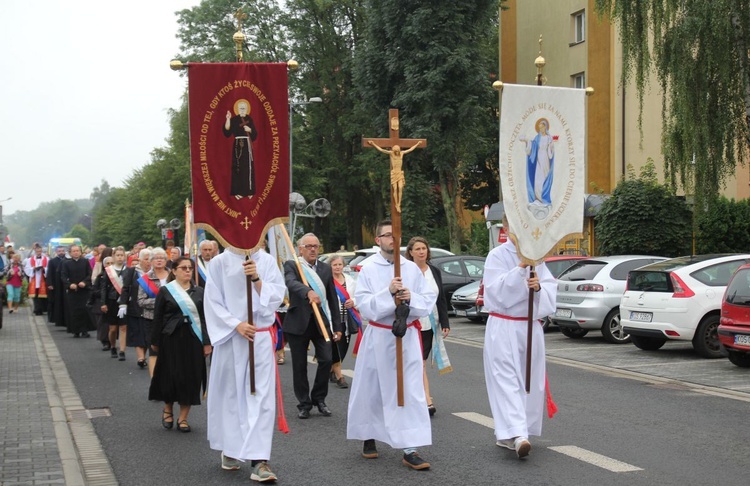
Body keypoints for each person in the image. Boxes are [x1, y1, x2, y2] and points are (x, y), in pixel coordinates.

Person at [347, 220, 437, 470]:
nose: (391, 239)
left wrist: (411, 298)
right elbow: (364, 305)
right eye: (386, 235)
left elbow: (427, 299)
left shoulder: (410, 268)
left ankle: (409, 447)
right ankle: (368, 434)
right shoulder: (368, 269)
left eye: (395, 234)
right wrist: (388, 293)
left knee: (408, 389)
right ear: (378, 241)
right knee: (372, 389)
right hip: (379, 337)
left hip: (405, 336)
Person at [204, 247, 286, 482]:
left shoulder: (267, 260)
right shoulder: (219, 262)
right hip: (232, 339)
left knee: (261, 398)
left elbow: (277, 297)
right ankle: (230, 448)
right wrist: (235, 324)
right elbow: (212, 302)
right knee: (231, 397)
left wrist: (257, 279)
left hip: (259, 338)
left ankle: (259, 460)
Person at [483, 214, 556, 459]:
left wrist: (539, 288)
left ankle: (514, 432)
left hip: (530, 327)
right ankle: (517, 434)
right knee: (506, 379)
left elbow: (549, 292)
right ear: (506, 228)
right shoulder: (497, 256)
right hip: (504, 327)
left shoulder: (539, 258)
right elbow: (496, 293)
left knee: (530, 381)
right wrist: (521, 269)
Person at [148, 256, 212, 433]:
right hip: (171, 339)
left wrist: (207, 342)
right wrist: (155, 341)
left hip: (193, 339)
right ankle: (167, 409)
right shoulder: (166, 291)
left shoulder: (200, 291)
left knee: (191, 378)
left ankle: (183, 418)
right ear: (174, 271)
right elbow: (158, 318)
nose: (187, 271)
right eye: (183, 268)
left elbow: (206, 319)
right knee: (170, 376)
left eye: (189, 268)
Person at [283, 233, 343, 419]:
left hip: (321, 323)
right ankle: (304, 403)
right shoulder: (292, 265)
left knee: (326, 359)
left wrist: (338, 326)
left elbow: (332, 298)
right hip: (298, 323)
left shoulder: (325, 269)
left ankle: (319, 398)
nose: (312, 249)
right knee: (299, 366)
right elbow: (291, 283)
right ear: (300, 249)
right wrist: (308, 291)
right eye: (308, 246)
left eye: (315, 246)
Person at [405, 236, 451, 417]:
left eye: (423, 248)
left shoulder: (434, 271)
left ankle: (420, 397)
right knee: (418, 362)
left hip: (430, 323)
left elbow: (440, 298)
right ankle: (426, 398)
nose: (421, 252)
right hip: (411, 323)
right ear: (410, 252)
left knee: (420, 361)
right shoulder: (407, 271)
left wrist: (445, 323)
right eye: (417, 249)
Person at [138, 248, 171, 377]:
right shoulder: (145, 279)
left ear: (166, 261)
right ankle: (155, 382)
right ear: (151, 261)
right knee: (154, 351)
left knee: (169, 351)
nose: (159, 260)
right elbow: (141, 301)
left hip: (171, 319)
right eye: (156, 258)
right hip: (152, 320)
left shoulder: (172, 276)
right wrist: (160, 302)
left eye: (161, 258)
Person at [328, 255, 360, 389]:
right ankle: (340, 377)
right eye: (334, 265)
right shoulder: (327, 281)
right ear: (330, 266)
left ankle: (331, 371)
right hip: (332, 320)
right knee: (335, 348)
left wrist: (353, 301)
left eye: (339, 265)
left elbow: (359, 296)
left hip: (347, 320)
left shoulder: (351, 280)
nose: (337, 267)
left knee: (343, 349)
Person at [367, 140, 422, 213]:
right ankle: (396, 204)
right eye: (395, 151)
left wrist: (417, 144)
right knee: (395, 189)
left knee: (400, 188)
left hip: (399, 173)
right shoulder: (391, 154)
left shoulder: (402, 153)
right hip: (394, 173)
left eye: (397, 151)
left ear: (399, 150)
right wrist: (373, 144)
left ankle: (399, 203)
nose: (396, 153)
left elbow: (410, 149)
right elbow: (382, 150)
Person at [119, 249, 152, 369]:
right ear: (140, 260)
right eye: (146, 259)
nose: (148, 262)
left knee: (147, 333)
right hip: (135, 307)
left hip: (150, 308)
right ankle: (140, 357)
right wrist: (123, 304)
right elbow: (125, 288)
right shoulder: (132, 271)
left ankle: (145, 355)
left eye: (150, 259)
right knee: (137, 332)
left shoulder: (155, 273)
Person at [223, 99, 258, 198]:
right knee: (237, 167)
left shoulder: (249, 119)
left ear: (247, 109)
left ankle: (249, 191)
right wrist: (228, 119)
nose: (242, 110)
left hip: (247, 145)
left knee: (248, 167)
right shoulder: (234, 120)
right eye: (240, 108)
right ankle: (238, 192)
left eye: (244, 108)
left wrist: (250, 129)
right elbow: (227, 132)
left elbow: (255, 135)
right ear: (237, 109)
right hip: (237, 145)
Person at [521, 117, 555, 214]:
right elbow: (533, 145)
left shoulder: (549, 138)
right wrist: (527, 141)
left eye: (542, 127)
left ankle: (544, 199)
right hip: (538, 160)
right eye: (539, 128)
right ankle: (538, 199)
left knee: (544, 178)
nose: (541, 129)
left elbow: (550, 152)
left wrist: (551, 147)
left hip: (545, 160)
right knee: (537, 180)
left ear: (545, 127)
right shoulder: (537, 137)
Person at [101, 247, 128, 359]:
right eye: (117, 255)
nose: (120, 257)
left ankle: (122, 351)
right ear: (113, 256)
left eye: (122, 255)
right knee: (113, 329)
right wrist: (103, 303)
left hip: (124, 301)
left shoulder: (129, 270)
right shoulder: (108, 271)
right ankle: (113, 346)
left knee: (123, 327)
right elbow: (104, 288)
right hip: (111, 301)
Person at [61, 245, 94, 337]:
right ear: (70, 253)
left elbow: (89, 274)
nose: (76, 252)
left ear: (80, 252)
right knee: (74, 311)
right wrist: (69, 284)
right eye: (74, 251)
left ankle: (85, 330)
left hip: (84, 290)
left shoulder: (85, 262)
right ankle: (75, 330)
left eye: (77, 251)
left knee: (84, 310)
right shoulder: (66, 263)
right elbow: (63, 276)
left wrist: (84, 282)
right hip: (73, 291)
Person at [91, 247, 113, 349]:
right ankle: (105, 340)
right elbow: (94, 282)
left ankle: (111, 340)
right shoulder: (100, 270)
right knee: (102, 321)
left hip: (112, 298)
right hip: (101, 298)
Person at [24, 244, 48, 316]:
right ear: (35, 251)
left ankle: (41, 309)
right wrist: (33, 269)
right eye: (37, 251)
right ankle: (37, 309)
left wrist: (44, 269)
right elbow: (27, 269)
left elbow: (48, 268)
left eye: (40, 251)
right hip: (34, 279)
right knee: (35, 296)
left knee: (42, 296)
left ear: (42, 251)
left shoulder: (46, 259)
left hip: (42, 279)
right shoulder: (30, 260)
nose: (39, 252)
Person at [47, 246, 67, 325]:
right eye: (59, 251)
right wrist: (50, 283)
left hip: (65, 284)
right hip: (56, 284)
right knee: (56, 302)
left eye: (62, 251)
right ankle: (56, 319)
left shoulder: (67, 260)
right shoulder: (52, 261)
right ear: (56, 252)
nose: (61, 252)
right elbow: (49, 273)